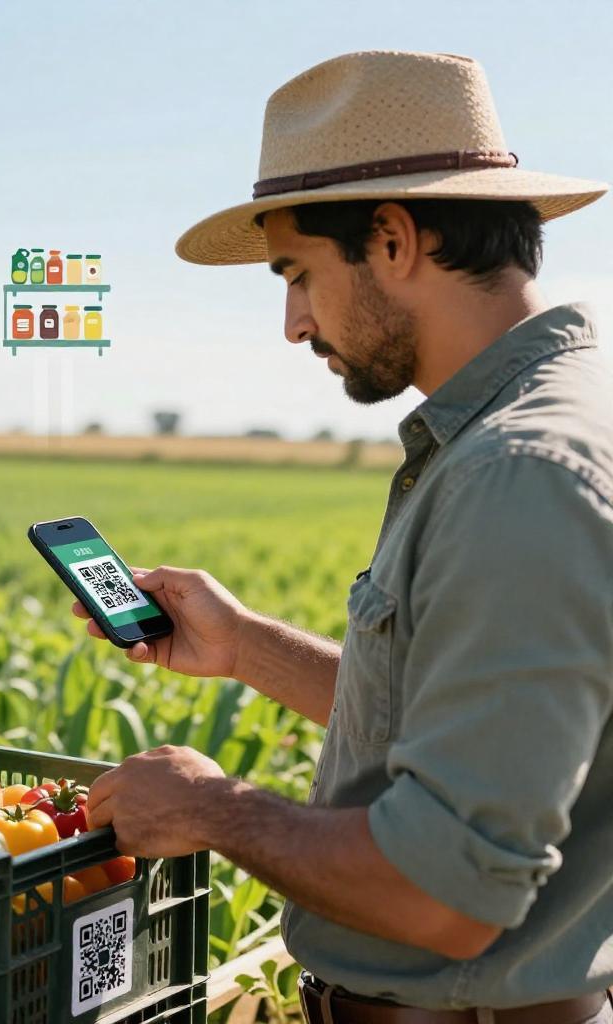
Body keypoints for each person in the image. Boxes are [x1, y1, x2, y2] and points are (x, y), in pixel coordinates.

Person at [77, 50, 613, 1024]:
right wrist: (244, 645)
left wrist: (211, 807)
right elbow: (463, 725)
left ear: (394, 238)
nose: (290, 323)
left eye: (297, 274)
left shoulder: (516, 472)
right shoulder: (535, 426)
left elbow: (446, 893)